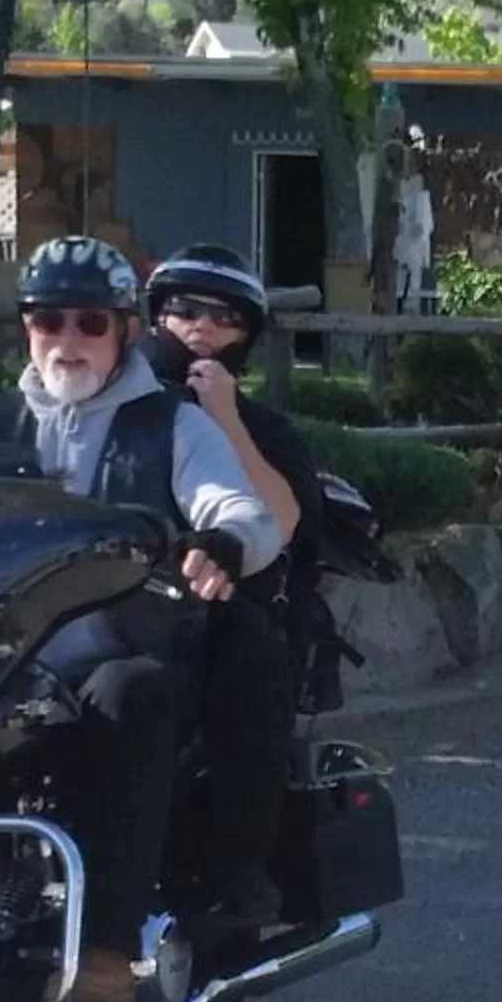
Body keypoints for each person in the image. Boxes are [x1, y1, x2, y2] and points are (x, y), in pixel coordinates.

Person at [0, 236, 281, 1002]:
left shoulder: (172, 427)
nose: (68, 340)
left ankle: (107, 953)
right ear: (27, 328)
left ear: (121, 330)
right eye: (50, 320)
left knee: (132, 696)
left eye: (90, 322)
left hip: (116, 642)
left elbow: (240, 506)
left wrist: (222, 539)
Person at [143, 245, 321, 930]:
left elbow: (281, 520)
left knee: (249, 656)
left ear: (247, 334)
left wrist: (226, 420)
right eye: (184, 310)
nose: (201, 328)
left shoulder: (267, 430)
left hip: (223, 603)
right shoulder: (123, 409)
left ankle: (236, 866)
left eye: (223, 318)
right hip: (110, 595)